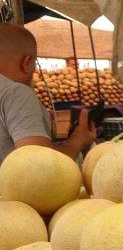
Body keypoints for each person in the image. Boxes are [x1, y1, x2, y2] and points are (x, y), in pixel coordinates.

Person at [0, 24, 96, 163]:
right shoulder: (16, 93)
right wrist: (77, 140)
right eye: (34, 68)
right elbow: (41, 166)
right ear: (26, 63)